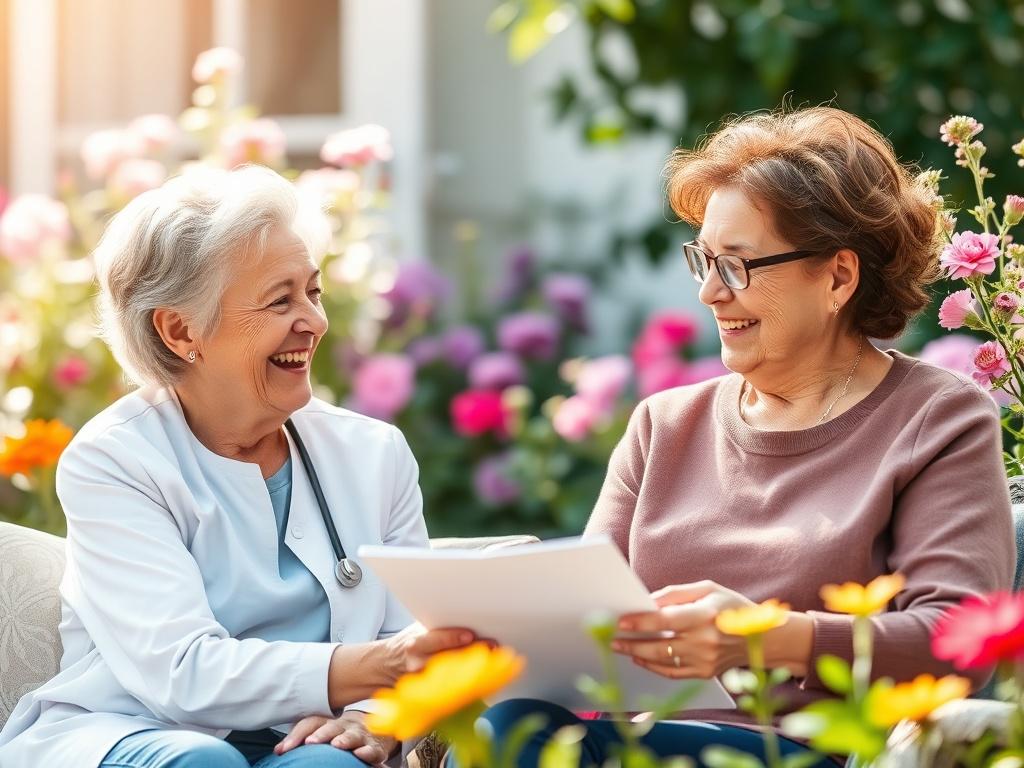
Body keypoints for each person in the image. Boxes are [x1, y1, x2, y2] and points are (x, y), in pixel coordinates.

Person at [481, 107, 1015, 766]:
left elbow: (957, 642)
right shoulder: (663, 424)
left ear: (839, 277)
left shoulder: (936, 418)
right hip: (636, 745)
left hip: (803, 752)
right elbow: (586, 622)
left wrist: (766, 638)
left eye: (736, 266)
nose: (708, 292)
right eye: (703, 261)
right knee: (509, 724)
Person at [0, 166, 474, 768]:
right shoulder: (113, 461)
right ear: (180, 330)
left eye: (314, 291)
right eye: (281, 299)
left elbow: (408, 636)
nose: (315, 320)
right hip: (136, 727)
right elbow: (180, 674)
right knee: (203, 764)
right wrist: (375, 669)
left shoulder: (373, 454)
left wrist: (373, 719)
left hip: (305, 733)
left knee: (330, 765)